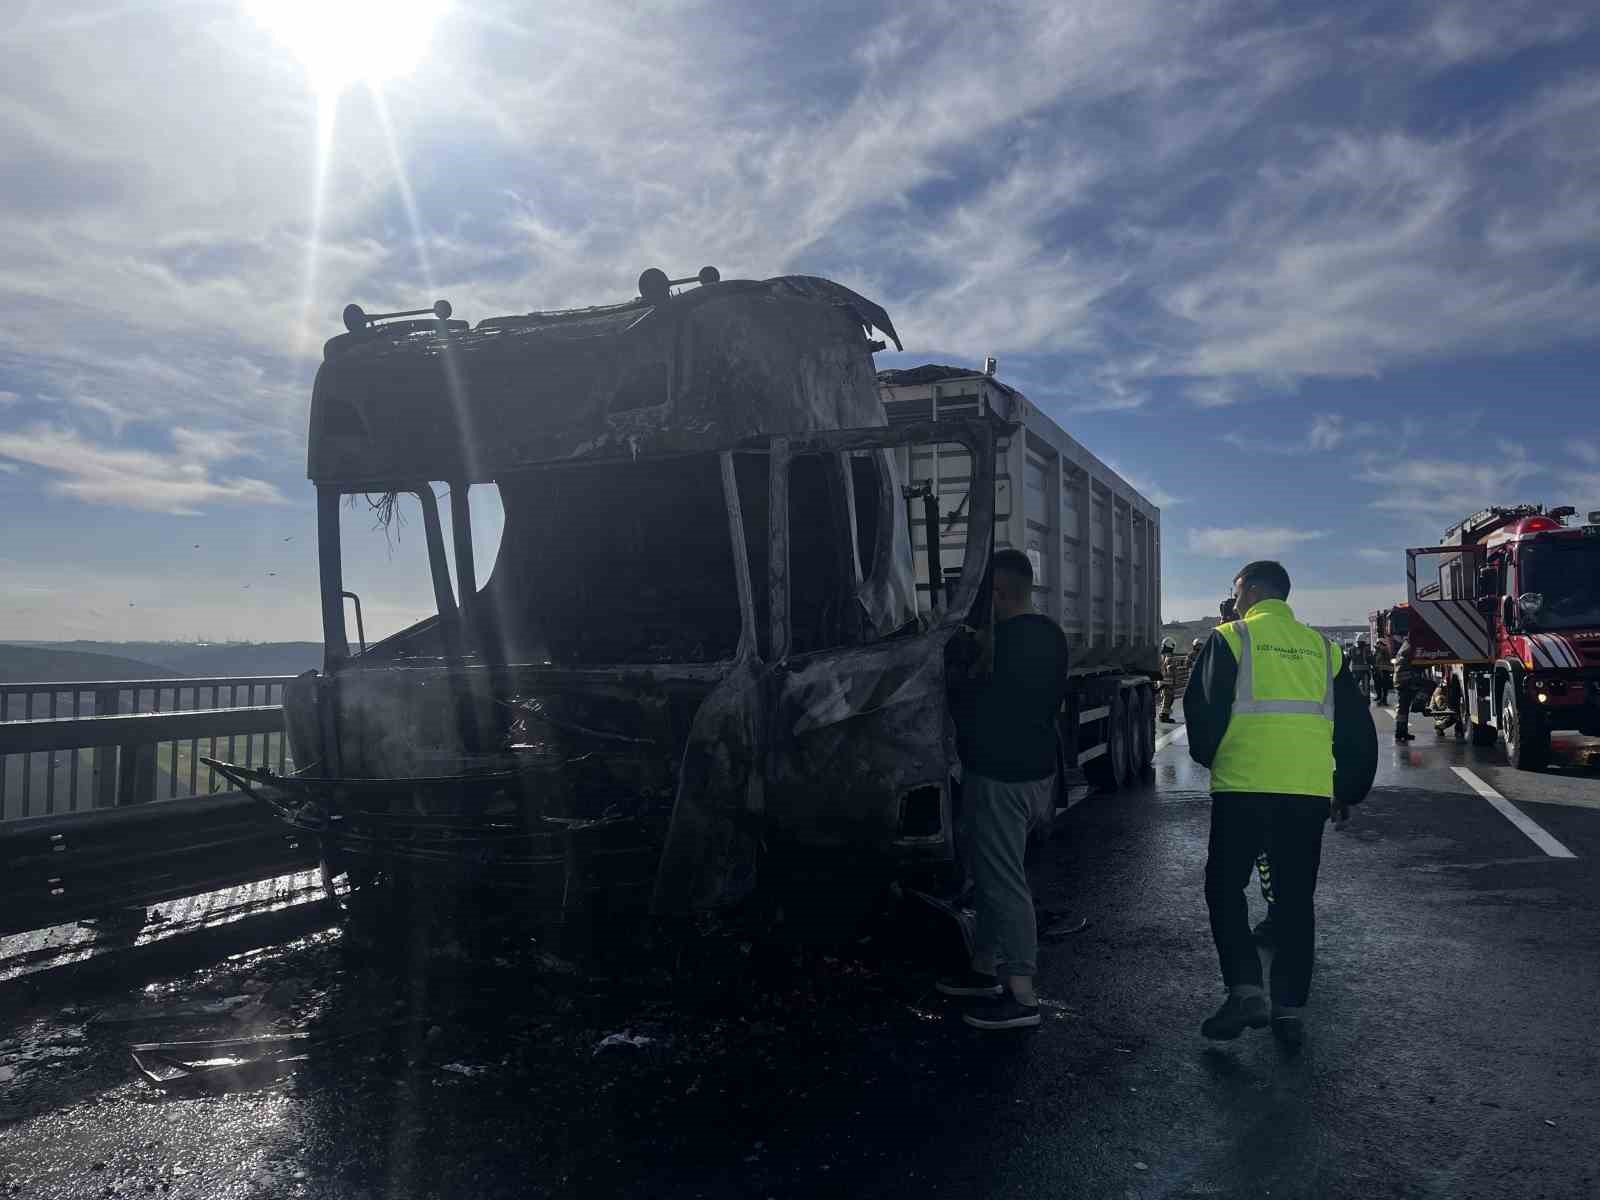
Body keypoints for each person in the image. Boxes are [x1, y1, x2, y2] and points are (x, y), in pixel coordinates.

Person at [1183, 560, 1377, 1049]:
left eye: (1236, 590)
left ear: (1248, 589)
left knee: (1225, 888)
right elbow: (1357, 727)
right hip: (1306, 793)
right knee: (1294, 898)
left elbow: (1201, 712)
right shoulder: (1323, 648)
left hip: (1243, 788)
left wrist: (1215, 759)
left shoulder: (1231, 639)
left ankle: (1245, 987)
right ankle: (1290, 1004)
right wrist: (1347, 788)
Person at [938, 549, 1071, 1031]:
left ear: (995, 594)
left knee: (1002, 880)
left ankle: (1022, 993)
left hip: (1000, 775)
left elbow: (965, 698)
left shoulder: (995, 645)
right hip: (1035, 772)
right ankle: (984, 969)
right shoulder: (1051, 635)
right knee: (993, 870)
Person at [1392, 639, 1425, 743]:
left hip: (1401, 683)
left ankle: (1402, 732)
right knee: (1403, 709)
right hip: (1404, 684)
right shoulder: (1407, 652)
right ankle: (1400, 732)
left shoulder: (1403, 651)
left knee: (1403, 710)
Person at [1158, 637, 1180, 722]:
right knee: (1167, 700)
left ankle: (1165, 715)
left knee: (1167, 699)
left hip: (1163, 682)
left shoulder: (1162, 657)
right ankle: (1163, 716)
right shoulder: (1169, 657)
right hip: (1167, 683)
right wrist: (1175, 681)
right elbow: (1172, 670)